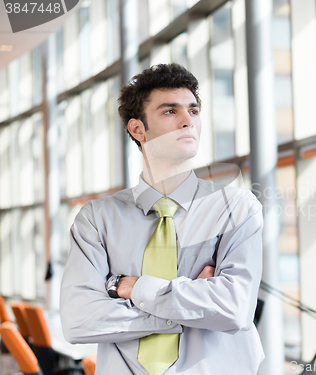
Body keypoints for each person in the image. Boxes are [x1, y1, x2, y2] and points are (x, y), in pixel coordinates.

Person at [60, 63, 264, 375]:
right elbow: (79, 321)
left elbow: (234, 309)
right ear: (137, 129)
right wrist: (185, 306)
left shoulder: (236, 208)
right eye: (170, 112)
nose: (188, 122)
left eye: (193, 111)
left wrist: (137, 289)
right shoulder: (97, 219)